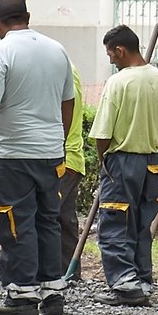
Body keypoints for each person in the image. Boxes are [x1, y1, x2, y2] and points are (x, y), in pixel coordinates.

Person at [0, 0, 76, 315]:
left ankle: (23, 294)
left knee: (14, 220)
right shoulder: (57, 50)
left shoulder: (0, 52)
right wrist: (59, 140)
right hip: (51, 152)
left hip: (15, 154)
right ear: (27, 17)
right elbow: (67, 102)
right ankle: (53, 291)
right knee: (47, 220)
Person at [87, 24, 158, 306]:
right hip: (152, 164)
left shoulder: (118, 82)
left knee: (116, 223)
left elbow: (102, 134)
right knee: (142, 223)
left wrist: (103, 160)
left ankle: (125, 285)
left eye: (110, 55)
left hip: (122, 161)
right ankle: (142, 280)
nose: (110, 61)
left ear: (120, 50)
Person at [57, 64, 87, 281]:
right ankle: (69, 272)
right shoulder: (67, 69)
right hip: (70, 158)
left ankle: (32, 272)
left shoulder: (62, 71)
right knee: (65, 218)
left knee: (44, 215)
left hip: (62, 159)